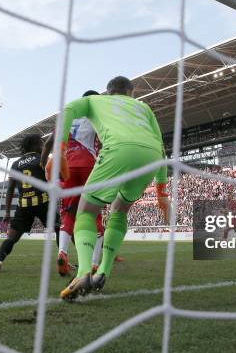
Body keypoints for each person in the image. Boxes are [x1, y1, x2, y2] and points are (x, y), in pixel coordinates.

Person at [58, 76, 169, 301]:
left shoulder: (96, 101)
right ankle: (103, 272)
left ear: (107, 92)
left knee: (86, 211)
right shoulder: (143, 107)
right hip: (151, 156)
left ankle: (83, 273)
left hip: (118, 149)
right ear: (132, 93)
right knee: (120, 209)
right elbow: (161, 146)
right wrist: (161, 192)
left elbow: (68, 109)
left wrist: (60, 148)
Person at [42, 90, 106, 276]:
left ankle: (62, 252)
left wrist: (42, 165)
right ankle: (94, 263)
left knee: (68, 214)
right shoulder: (97, 118)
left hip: (67, 168)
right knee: (94, 215)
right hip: (89, 167)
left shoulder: (68, 119)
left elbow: (48, 144)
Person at [0, 134, 60, 273]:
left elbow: (10, 189)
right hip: (43, 202)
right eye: (40, 143)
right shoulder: (42, 158)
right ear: (35, 144)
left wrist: (7, 212)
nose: (42, 145)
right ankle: (64, 261)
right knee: (59, 229)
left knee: (11, 238)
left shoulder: (16, 164)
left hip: (24, 206)